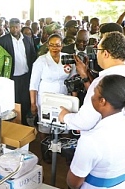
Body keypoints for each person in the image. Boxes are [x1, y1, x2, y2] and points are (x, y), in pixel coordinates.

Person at [66, 74, 125, 189]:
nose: (91, 95)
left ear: (102, 101)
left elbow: (73, 183)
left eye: (94, 92)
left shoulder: (91, 140)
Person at [59, 31, 125, 133]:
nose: (96, 53)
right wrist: (86, 73)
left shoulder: (101, 82)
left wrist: (65, 116)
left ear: (105, 53)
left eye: (97, 49)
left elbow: (84, 122)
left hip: (101, 142)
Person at [29, 33, 76, 162]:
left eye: (58, 45)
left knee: (65, 125)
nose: (55, 48)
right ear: (47, 45)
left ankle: (66, 151)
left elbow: (73, 80)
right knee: (46, 125)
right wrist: (33, 103)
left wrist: (74, 100)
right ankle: (45, 151)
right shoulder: (41, 61)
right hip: (46, 98)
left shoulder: (67, 58)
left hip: (63, 96)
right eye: (52, 45)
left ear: (62, 45)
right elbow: (33, 84)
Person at [0, 18, 37, 125]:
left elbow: (33, 55)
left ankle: (23, 122)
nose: (14, 29)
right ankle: (14, 123)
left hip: (25, 76)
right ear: (8, 27)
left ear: (20, 26)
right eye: (12, 27)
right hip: (11, 78)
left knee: (25, 100)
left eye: (17, 27)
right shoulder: (2, 41)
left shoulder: (28, 39)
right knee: (13, 101)